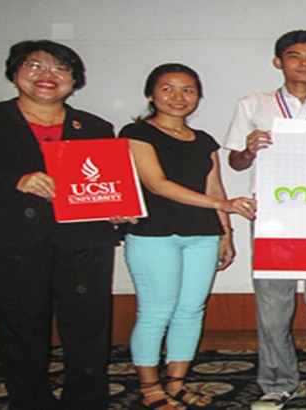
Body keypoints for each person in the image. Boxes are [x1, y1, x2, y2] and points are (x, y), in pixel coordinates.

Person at [223, 30, 306, 410]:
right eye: (294, 56)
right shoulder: (253, 104)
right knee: (273, 303)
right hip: (272, 216)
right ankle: (276, 383)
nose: (304, 63)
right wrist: (248, 151)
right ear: (278, 61)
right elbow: (234, 161)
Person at [0, 40, 121, 410]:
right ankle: (29, 402)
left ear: (74, 80)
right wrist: (14, 180)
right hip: (13, 243)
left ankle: (87, 401)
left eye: (60, 69)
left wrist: (116, 210)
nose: (48, 75)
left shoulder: (95, 126)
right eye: (35, 66)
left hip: (84, 242)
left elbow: (106, 185)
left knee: (88, 329)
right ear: (15, 72)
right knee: (20, 331)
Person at [121, 63, 256, 410]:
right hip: (154, 233)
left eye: (188, 90)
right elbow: (157, 184)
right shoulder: (136, 134)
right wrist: (221, 203)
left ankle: (177, 383)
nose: (178, 97)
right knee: (156, 310)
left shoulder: (204, 140)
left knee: (191, 310)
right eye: (168, 89)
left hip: (202, 234)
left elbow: (215, 186)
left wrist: (226, 232)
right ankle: (150, 387)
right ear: (151, 94)